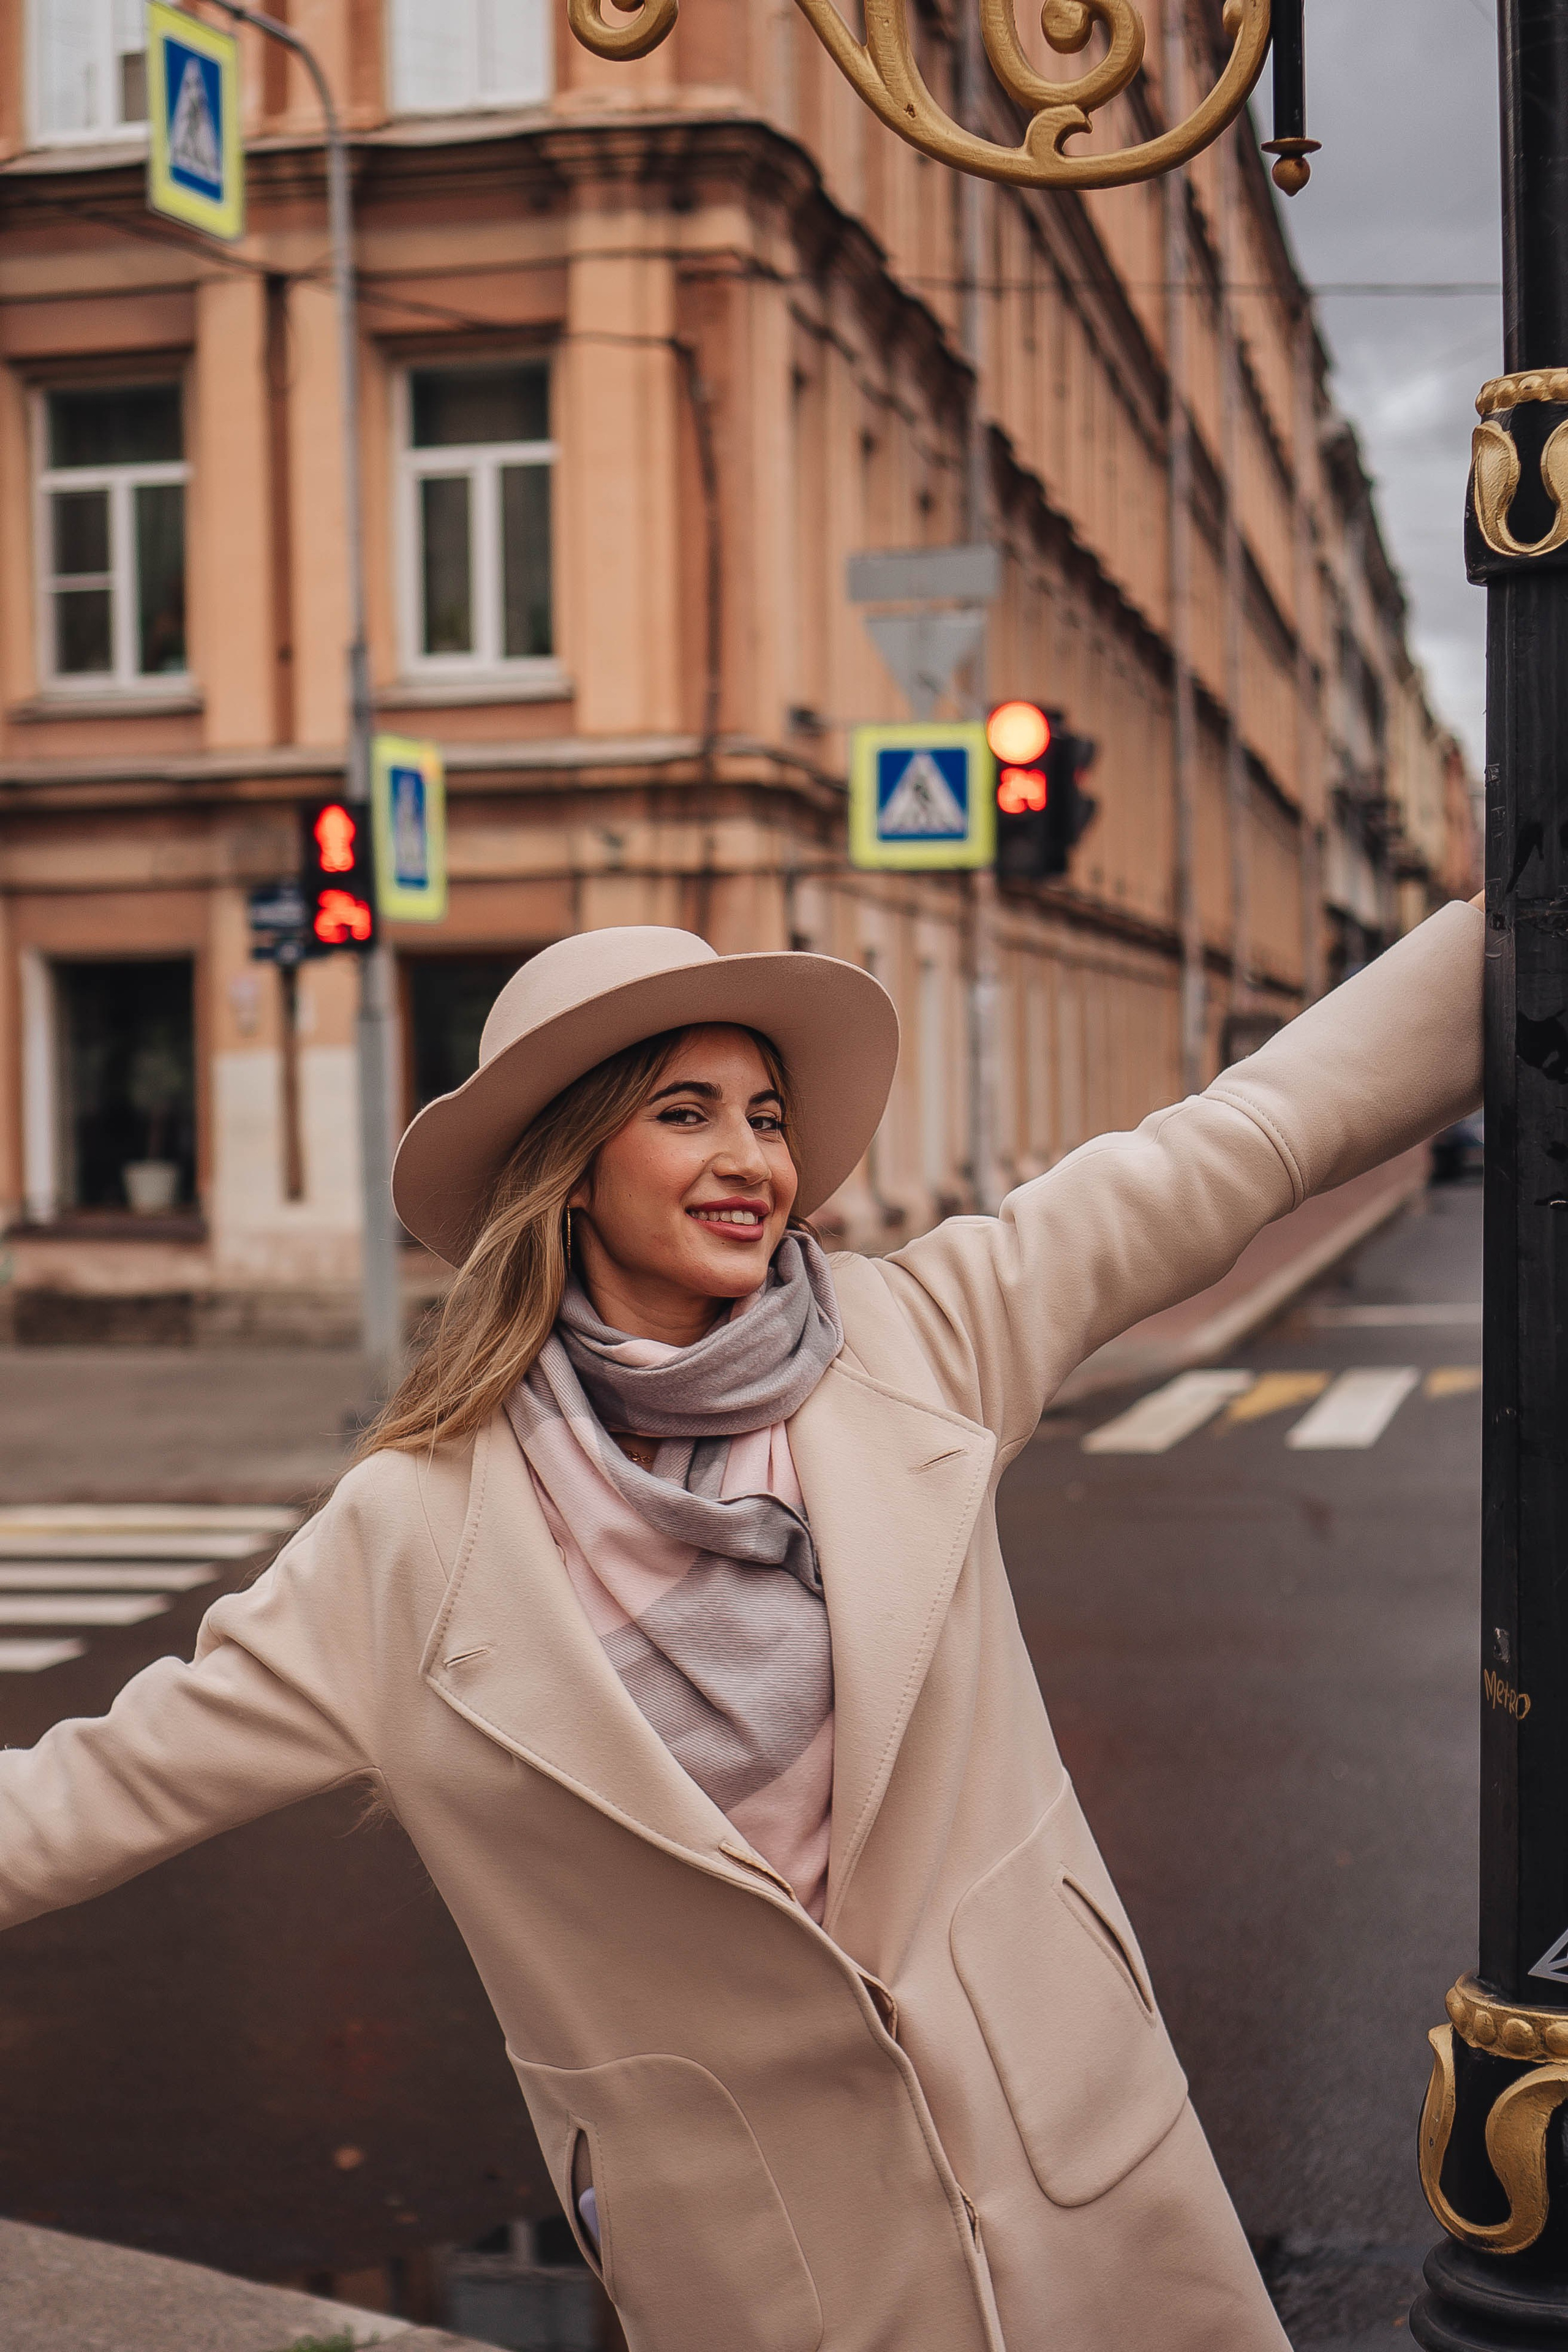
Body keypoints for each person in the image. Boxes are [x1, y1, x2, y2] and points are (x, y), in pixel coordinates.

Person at [0, 909, 1485, 2352]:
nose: (749, 1160)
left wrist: (1516, 921)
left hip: (1074, 2160)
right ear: (572, 1165)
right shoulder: (405, 1537)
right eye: (686, 1112)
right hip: (764, 2265)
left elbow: (1237, 1139)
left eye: (766, 1116)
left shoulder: (921, 1337)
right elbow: (88, 1793)